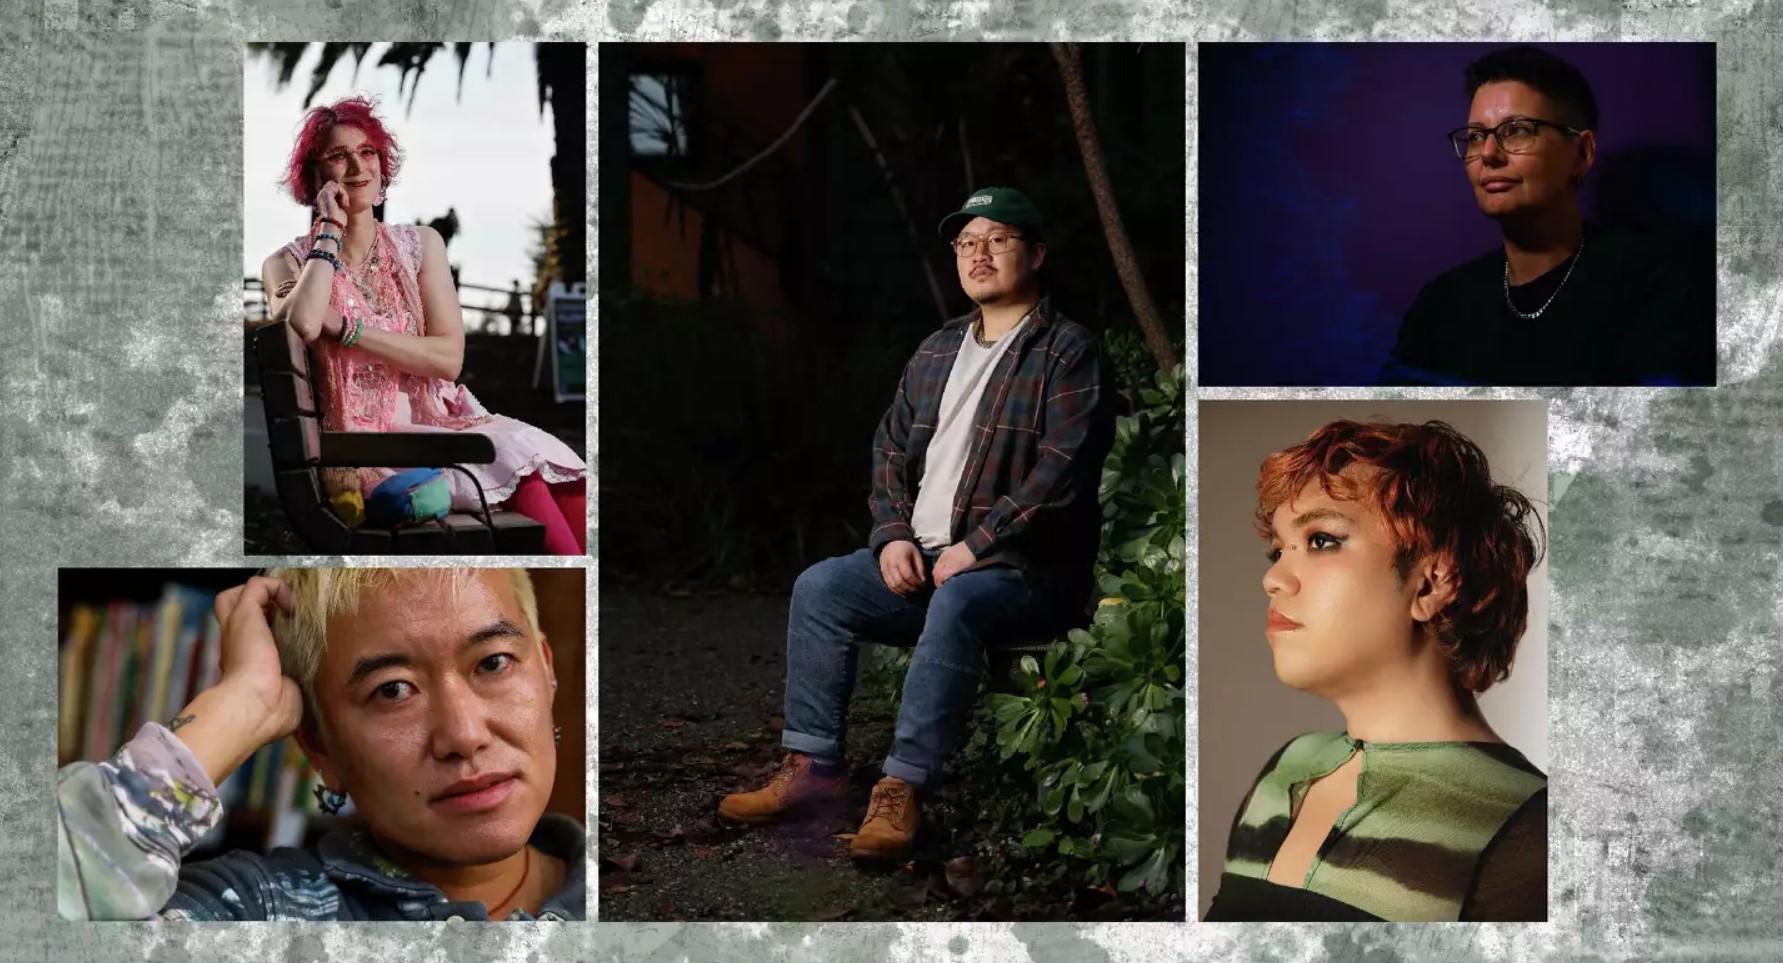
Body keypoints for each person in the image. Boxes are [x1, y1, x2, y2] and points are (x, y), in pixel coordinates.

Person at [716, 187, 1116, 860]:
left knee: (960, 595)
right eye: (965, 243)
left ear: (1036, 253)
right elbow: (888, 451)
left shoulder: (1067, 352)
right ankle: (812, 770)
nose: (978, 254)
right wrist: (892, 535)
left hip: (1021, 574)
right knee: (822, 587)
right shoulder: (936, 349)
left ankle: (900, 789)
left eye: (997, 239)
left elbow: (1062, 471)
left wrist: (976, 546)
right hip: (928, 560)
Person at [56, 569, 583, 921]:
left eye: (493, 663)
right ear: (319, 745)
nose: (465, 735)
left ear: (547, 672)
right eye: (392, 690)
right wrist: (243, 705)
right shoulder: (257, 910)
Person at [1203, 420, 1547, 921]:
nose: (1273, 577)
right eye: (1278, 550)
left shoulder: (1531, 830)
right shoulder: (1287, 770)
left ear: (1432, 583)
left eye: (1321, 540)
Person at [260, 97, 588, 553]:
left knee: (548, 465)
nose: (358, 166)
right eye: (338, 156)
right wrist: (329, 231)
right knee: (521, 464)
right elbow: (304, 321)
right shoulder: (285, 263)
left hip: (439, 430)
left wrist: (350, 329)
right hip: (373, 455)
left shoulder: (421, 245)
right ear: (314, 177)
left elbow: (447, 360)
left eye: (368, 151)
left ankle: (590, 600)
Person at [1380, 46, 1713, 387]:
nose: (1489, 154)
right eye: (1477, 137)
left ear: (1582, 153)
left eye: (1517, 130)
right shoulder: (1442, 304)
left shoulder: (1655, 283)